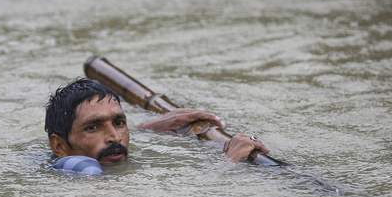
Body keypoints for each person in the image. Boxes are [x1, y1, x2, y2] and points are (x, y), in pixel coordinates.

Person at [45, 79, 270, 174]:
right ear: (60, 146)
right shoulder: (79, 180)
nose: (114, 137)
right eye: (93, 128)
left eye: (119, 122)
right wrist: (228, 162)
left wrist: (150, 126)